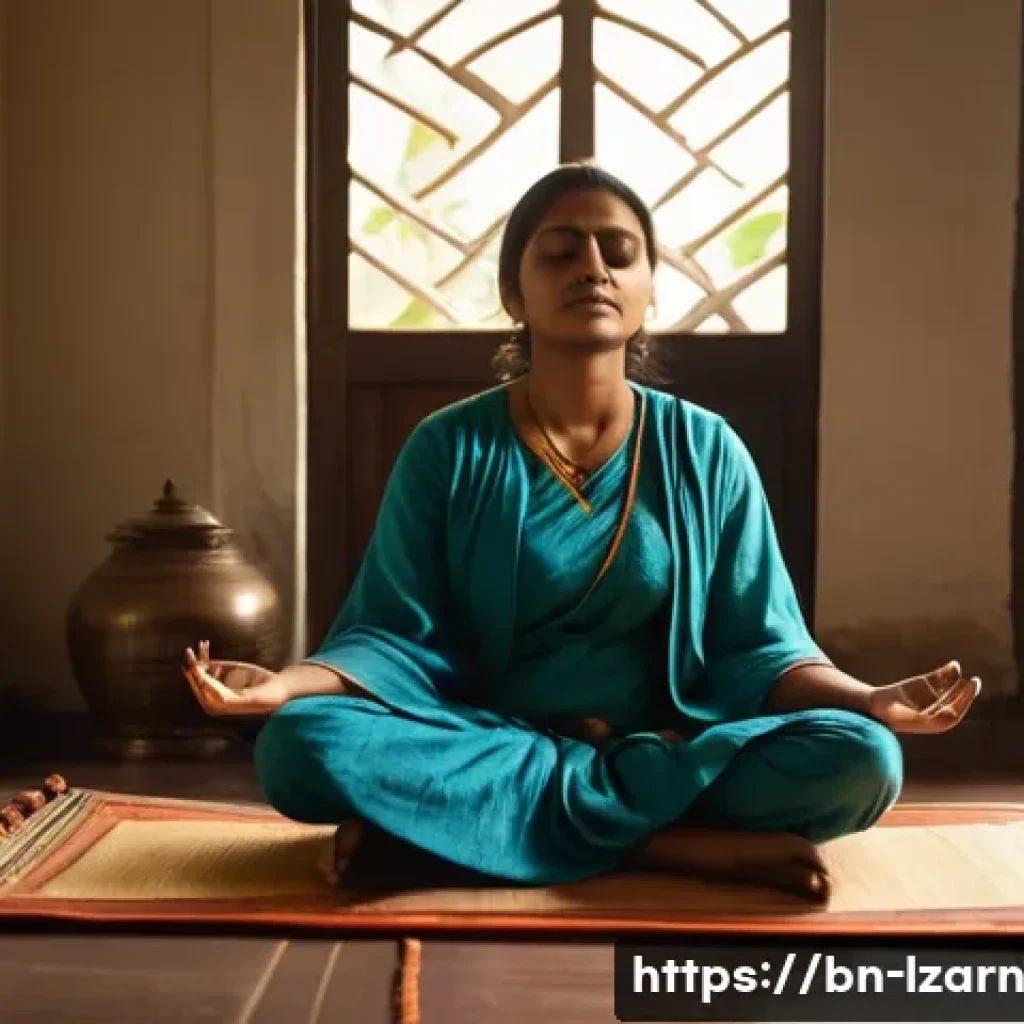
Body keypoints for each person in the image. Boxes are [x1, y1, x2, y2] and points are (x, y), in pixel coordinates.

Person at [182, 164, 980, 902]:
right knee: (298, 746)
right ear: (514, 293)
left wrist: (869, 699)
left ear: (648, 290)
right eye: (561, 253)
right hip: (488, 740)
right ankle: (676, 845)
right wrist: (287, 685)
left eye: (619, 253)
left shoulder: (706, 450)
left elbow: (764, 648)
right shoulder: (449, 448)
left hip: (668, 747)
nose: (592, 269)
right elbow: (394, 635)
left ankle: (464, 838)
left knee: (863, 761)